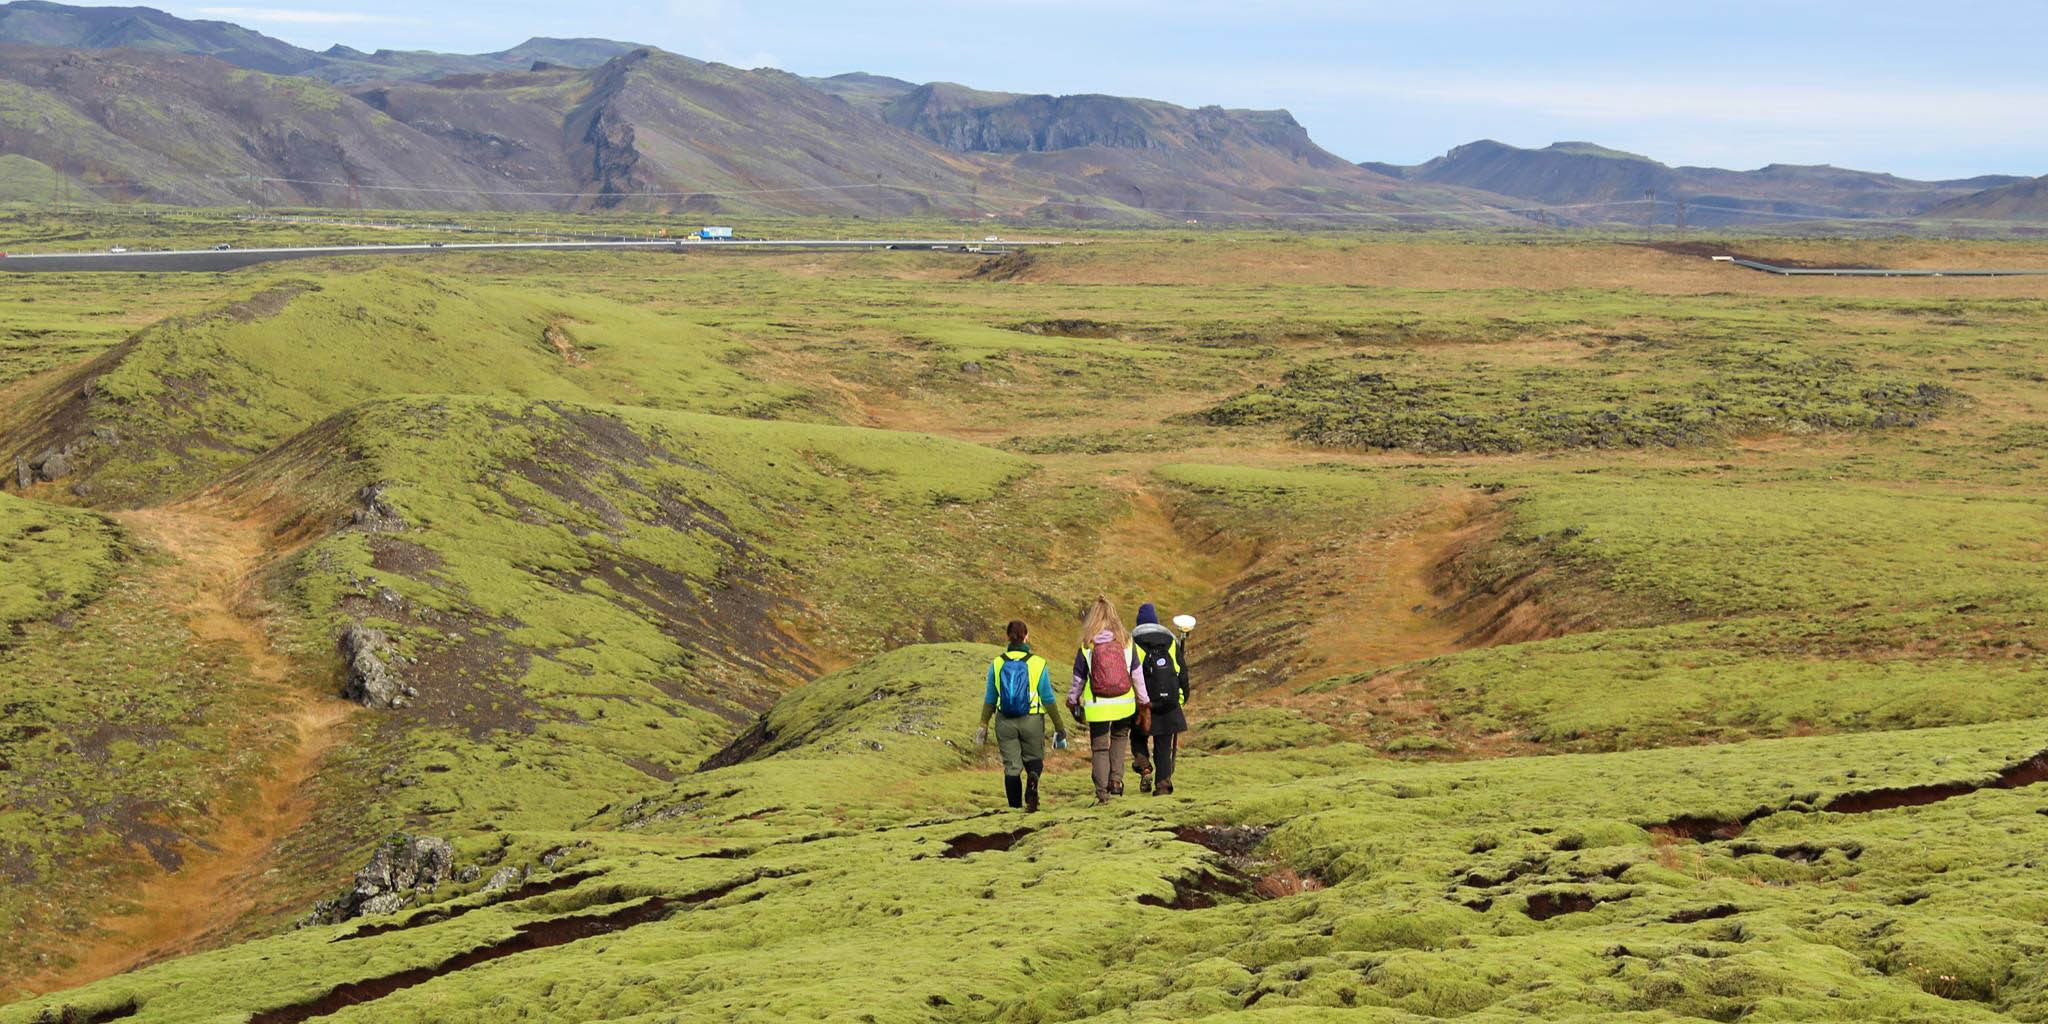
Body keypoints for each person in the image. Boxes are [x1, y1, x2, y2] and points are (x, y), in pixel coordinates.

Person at [977, 619, 1068, 812]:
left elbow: (990, 698)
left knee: (1012, 767)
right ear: (1026, 636)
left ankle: (1014, 810)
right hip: (1032, 720)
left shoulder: (997, 663)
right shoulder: (1038, 663)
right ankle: (1033, 780)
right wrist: (1059, 726)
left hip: (1005, 722)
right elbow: (1048, 698)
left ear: (1007, 637)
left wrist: (983, 724)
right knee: (1034, 759)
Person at [1066, 597, 1149, 803]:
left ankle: (1102, 793)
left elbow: (1079, 678)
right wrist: (1144, 701)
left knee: (1100, 746)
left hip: (1097, 705)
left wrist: (1072, 699)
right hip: (1124, 702)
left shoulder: (1087, 645)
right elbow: (1137, 675)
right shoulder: (1127, 642)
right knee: (1120, 739)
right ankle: (1116, 781)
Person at [1129, 603, 1189, 796]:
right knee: (1163, 744)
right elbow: (1181, 670)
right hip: (1169, 703)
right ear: (1156, 621)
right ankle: (1163, 784)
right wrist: (1182, 696)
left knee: (1138, 735)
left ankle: (1144, 764)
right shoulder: (1170, 641)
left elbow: (1129, 672)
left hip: (1143, 702)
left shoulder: (1132, 641)